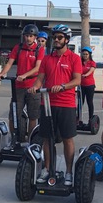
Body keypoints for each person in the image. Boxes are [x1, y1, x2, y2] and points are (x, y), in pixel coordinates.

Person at [29, 24, 81, 186]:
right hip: (48, 103)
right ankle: (47, 169)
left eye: (60, 37)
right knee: (47, 138)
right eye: (55, 37)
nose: (56, 40)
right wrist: (35, 86)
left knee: (67, 139)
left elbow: (77, 80)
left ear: (66, 39)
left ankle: (68, 172)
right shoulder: (47, 59)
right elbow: (40, 79)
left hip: (66, 103)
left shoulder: (74, 58)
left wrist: (63, 86)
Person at [0, 24, 45, 140]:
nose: (28, 38)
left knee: (33, 116)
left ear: (35, 37)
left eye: (30, 36)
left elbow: (38, 67)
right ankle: (13, 138)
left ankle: (30, 139)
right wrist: (2, 73)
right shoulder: (18, 48)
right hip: (18, 86)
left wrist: (25, 75)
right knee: (13, 114)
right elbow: (9, 63)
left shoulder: (39, 49)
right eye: (26, 36)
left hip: (33, 85)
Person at [79, 46, 96, 124]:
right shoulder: (79, 62)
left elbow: (91, 70)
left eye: (86, 54)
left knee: (89, 102)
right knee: (80, 103)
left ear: (89, 55)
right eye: (83, 54)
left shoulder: (92, 63)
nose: (85, 56)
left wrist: (85, 75)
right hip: (81, 85)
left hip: (90, 85)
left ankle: (90, 119)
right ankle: (78, 119)